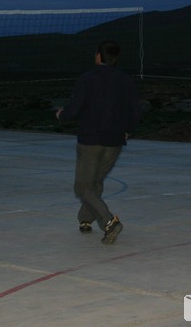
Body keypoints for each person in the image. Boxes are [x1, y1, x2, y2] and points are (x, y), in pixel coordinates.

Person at [56, 40, 142, 245]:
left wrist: (61, 115)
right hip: (114, 142)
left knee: (82, 187)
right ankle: (86, 219)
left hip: (91, 141)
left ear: (98, 56)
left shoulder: (88, 78)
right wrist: (128, 130)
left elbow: (74, 108)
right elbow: (137, 112)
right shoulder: (126, 80)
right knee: (95, 182)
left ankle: (109, 221)